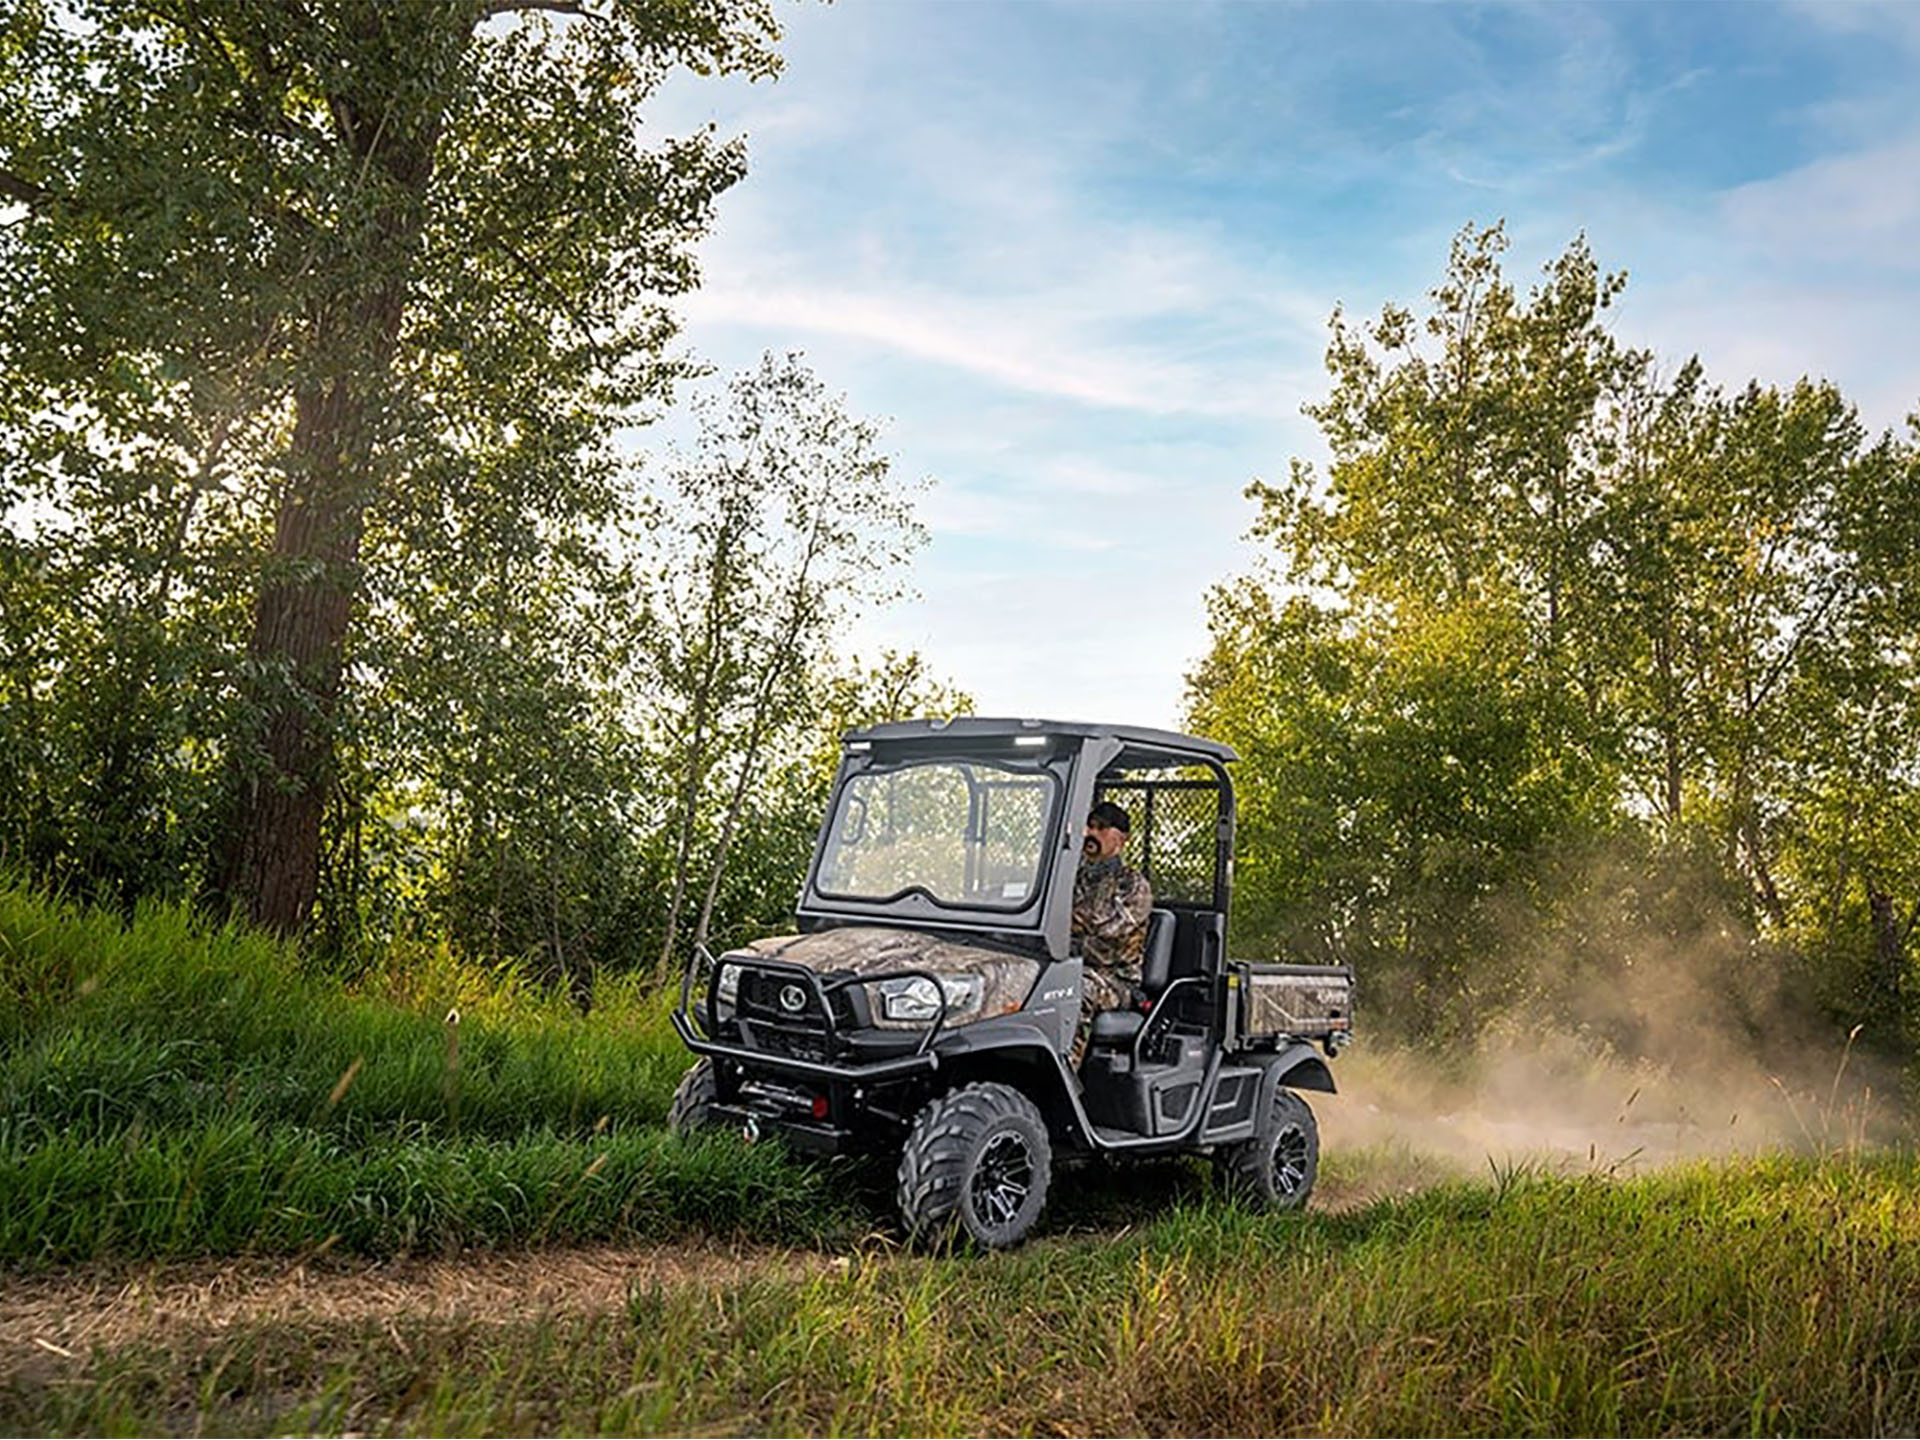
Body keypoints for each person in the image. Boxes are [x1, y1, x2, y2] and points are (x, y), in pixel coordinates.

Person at [1070, 800, 1152, 1064]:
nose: (1091, 834)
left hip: (1114, 979)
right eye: (1090, 826)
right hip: (1067, 963)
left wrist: (1060, 920)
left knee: (1075, 988)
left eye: (1102, 828)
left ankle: (1063, 1076)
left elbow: (1104, 926)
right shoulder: (1072, 877)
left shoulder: (1133, 885)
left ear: (1122, 838)